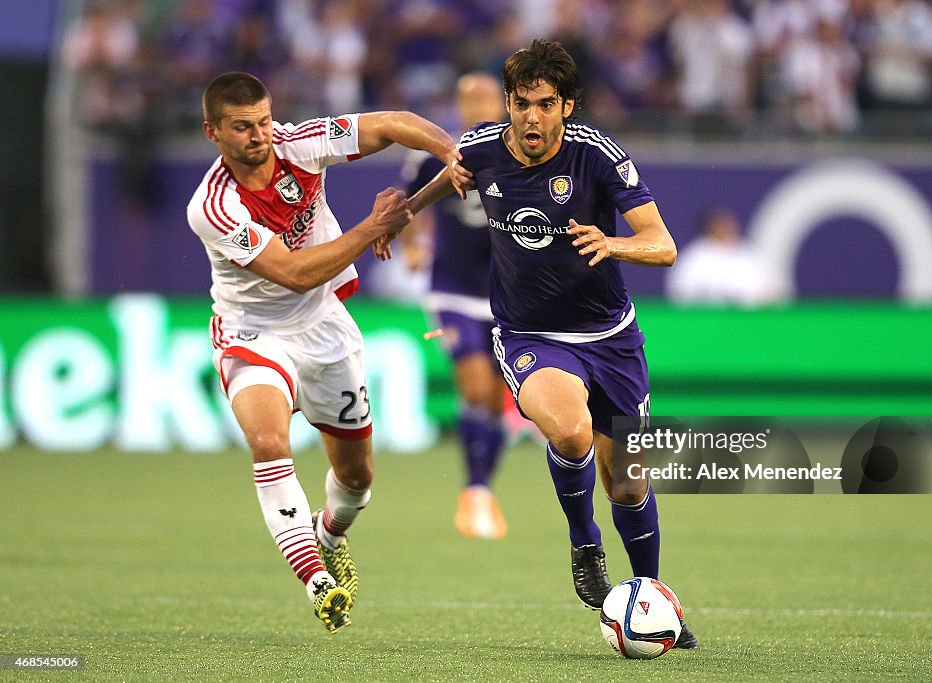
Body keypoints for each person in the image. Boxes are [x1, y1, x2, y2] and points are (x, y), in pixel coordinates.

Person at [393, 39, 698, 648]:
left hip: (611, 337)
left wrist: (613, 244)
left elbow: (662, 245)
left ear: (568, 107)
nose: (531, 117)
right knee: (569, 430)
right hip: (530, 333)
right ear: (508, 103)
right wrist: (401, 216)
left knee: (630, 482)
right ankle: (585, 542)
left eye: (546, 104)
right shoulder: (481, 149)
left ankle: (653, 598)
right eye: (521, 103)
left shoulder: (601, 159)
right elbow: (443, 180)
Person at [186, 71, 470, 633]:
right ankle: (318, 580)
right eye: (242, 127)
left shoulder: (300, 143)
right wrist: (374, 226)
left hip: (324, 329)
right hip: (253, 333)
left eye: (264, 121)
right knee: (268, 440)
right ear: (212, 132)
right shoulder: (213, 206)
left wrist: (450, 150)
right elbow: (293, 273)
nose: (259, 136)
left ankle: (329, 533)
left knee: (358, 478)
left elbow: (392, 124)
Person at [400, 72, 510, 539]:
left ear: (504, 104)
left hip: (508, 298)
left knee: (494, 400)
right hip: (451, 291)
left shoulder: (521, 153)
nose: (477, 105)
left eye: (486, 97)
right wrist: (410, 246)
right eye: (468, 99)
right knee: (474, 383)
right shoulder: (438, 153)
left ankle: (481, 488)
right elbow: (405, 205)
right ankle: (475, 491)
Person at [666, 206, 771, 306]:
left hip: (747, 320)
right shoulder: (694, 258)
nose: (728, 228)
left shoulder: (747, 254)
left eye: (729, 224)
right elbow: (680, 293)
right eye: (722, 225)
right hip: (705, 320)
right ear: (710, 227)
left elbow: (767, 291)